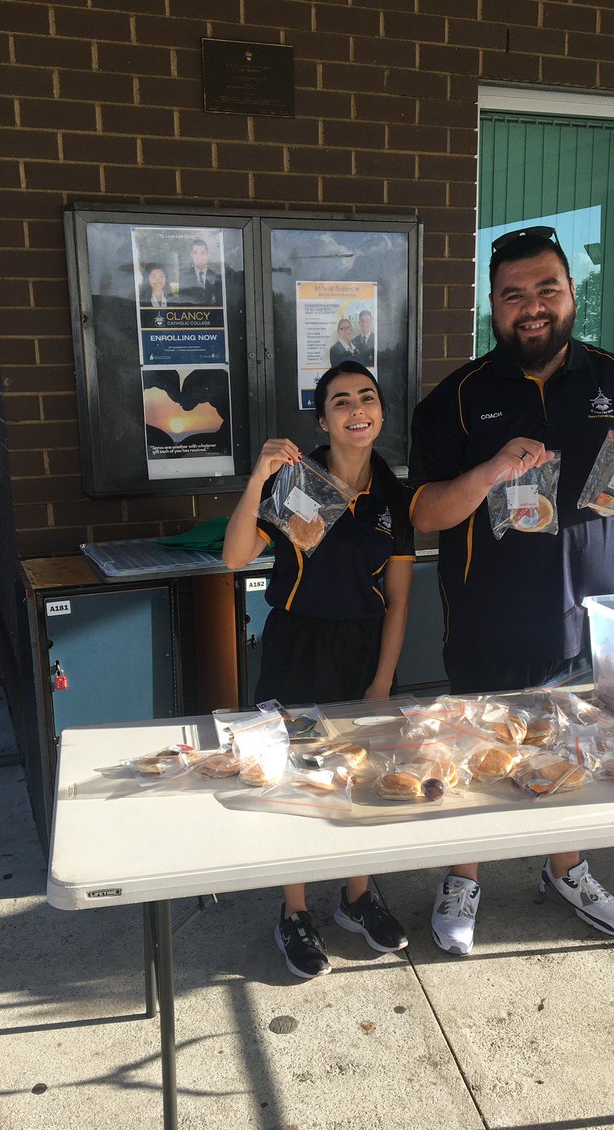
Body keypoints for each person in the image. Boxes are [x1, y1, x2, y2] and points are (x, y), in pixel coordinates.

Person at [409, 226, 614, 956]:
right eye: (513, 295)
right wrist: (490, 473)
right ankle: (463, 878)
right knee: (477, 756)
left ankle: (566, 868)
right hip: (490, 621)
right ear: (493, 307)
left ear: (571, 295)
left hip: (595, 621)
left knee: (580, 753)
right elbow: (423, 512)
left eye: (546, 290)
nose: (530, 307)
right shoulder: (458, 399)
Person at [223, 361, 415, 980]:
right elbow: (235, 557)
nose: (356, 410)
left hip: (362, 650)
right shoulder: (298, 481)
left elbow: (400, 598)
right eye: (340, 401)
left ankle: (357, 898)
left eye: (367, 398)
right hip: (296, 647)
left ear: (381, 412)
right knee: (294, 779)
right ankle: (295, 910)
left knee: (358, 778)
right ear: (323, 418)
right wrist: (259, 476)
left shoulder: (393, 495)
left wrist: (383, 679)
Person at [180, 238, 223, 306]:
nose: (199, 256)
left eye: (202, 253)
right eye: (195, 253)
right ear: (191, 255)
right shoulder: (184, 277)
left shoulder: (216, 277)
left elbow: (220, 303)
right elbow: (182, 304)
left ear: (207, 254)